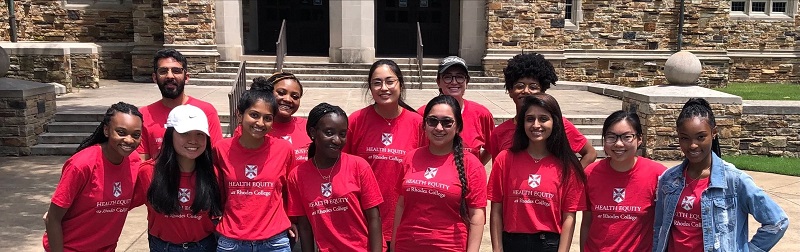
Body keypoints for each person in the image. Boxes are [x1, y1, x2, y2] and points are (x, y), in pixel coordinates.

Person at [653, 98, 789, 252]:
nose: (692, 145)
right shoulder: (669, 179)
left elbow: (777, 221)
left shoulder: (734, 181)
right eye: (685, 138)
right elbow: (659, 229)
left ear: (714, 133)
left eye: (701, 137)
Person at [488, 94, 585, 252]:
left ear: (555, 122)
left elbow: (569, 217)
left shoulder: (567, 166)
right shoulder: (505, 159)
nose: (536, 125)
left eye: (543, 118)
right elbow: (496, 210)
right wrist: (497, 249)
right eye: (530, 119)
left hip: (548, 244)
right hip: (512, 243)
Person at [391, 95, 487, 252]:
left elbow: (477, 215)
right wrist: (394, 245)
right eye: (432, 121)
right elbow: (401, 204)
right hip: (407, 245)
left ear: (458, 127)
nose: (439, 128)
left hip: (450, 247)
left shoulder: (472, 165)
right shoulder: (411, 157)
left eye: (447, 122)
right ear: (424, 125)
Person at [43, 102, 143, 252]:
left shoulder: (134, 162)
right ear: (106, 130)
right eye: (121, 132)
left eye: (136, 135)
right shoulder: (81, 165)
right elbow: (52, 218)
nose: (129, 140)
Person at [344, 59, 423, 249]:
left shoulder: (418, 123)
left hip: (404, 220)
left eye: (390, 81)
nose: (383, 88)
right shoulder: (356, 120)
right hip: (364, 219)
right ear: (370, 87)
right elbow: (345, 168)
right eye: (377, 82)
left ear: (400, 84)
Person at [287, 103, 383, 252]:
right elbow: (305, 227)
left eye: (342, 134)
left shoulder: (359, 166)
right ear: (313, 132)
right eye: (329, 132)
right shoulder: (297, 176)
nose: (337, 140)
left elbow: (374, 218)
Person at [213, 81, 295, 251]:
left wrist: (292, 220)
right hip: (232, 241)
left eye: (267, 118)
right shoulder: (221, 149)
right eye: (254, 115)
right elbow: (218, 191)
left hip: (275, 242)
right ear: (239, 115)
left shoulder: (283, 149)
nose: (260, 123)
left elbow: (289, 191)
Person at [132, 104, 222, 252]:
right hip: (162, 247)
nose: (193, 140)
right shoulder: (148, 172)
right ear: (170, 135)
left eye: (200, 134)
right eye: (185, 133)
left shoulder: (214, 174)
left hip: (205, 246)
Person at [578, 110, 666, 252]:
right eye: (611, 137)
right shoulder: (591, 173)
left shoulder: (658, 175)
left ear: (640, 139)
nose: (618, 144)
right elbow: (587, 222)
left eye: (627, 137)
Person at [490, 53, 597, 167]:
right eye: (520, 86)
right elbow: (499, 172)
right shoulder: (499, 133)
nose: (526, 91)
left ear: (543, 91)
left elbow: (590, 153)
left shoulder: (559, 124)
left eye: (533, 87)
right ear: (511, 91)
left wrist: (572, 179)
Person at [138, 48, 223, 160]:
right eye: (163, 71)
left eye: (176, 71)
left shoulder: (206, 111)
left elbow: (215, 157)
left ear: (186, 77)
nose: (170, 76)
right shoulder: (144, 115)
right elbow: (142, 162)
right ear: (155, 77)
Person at [417, 56, 494, 165]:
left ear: (467, 81)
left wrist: (474, 167)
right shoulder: (422, 114)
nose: (454, 82)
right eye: (447, 77)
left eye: (460, 77)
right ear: (438, 81)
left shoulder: (481, 114)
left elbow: (491, 148)